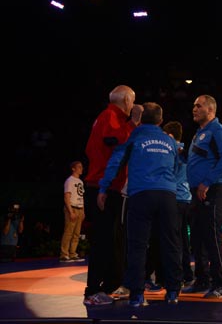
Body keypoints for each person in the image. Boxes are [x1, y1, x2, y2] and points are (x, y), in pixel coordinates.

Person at [98, 102, 182, 306]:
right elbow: (178, 168)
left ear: (141, 118)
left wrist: (103, 188)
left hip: (141, 194)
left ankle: (136, 296)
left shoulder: (133, 136)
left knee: (137, 245)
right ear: (161, 121)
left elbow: (116, 161)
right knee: (171, 244)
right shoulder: (170, 142)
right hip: (167, 196)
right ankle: (172, 292)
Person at [83, 85, 143, 306]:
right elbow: (116, 141)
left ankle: (107, 287)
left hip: (106, 186)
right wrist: (134, 123)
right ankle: (94, 291)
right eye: (133, 101)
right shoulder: (110, 116)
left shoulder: (108, 117)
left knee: (111, 239)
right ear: (127, 100)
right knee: (104, 240)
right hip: (103, 188)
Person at [184, 94, 222, 299]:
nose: (194, 109)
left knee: (212, 234)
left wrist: (207, 182)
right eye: (194, 106)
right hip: (198, 190)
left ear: (210, 110)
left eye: (199, 106)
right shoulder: (199, 133)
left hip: (213, 188)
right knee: (197, 235)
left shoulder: (218, 131)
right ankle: (202, 279)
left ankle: (219, 284)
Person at [163, 120, 194, 286]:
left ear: (170, 135)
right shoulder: (187, 151)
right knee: (183, 240)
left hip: (174, 199)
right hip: (186, 199)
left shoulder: (171, 151)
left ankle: (176, 275)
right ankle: (187, 274)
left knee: (174, 240)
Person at [60, 161, 86, 263]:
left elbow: (81, 196)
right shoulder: (69, 181)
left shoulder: (80, 182)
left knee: (76, 233)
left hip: (79, 208)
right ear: (73, 168)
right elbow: (67, 197)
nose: (81, 169)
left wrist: (83, 211)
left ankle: (72, 253)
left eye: (82, 167)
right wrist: (70, 211)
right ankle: (64, 254)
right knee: (69, 232)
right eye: (79, 167)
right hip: (72, 208)